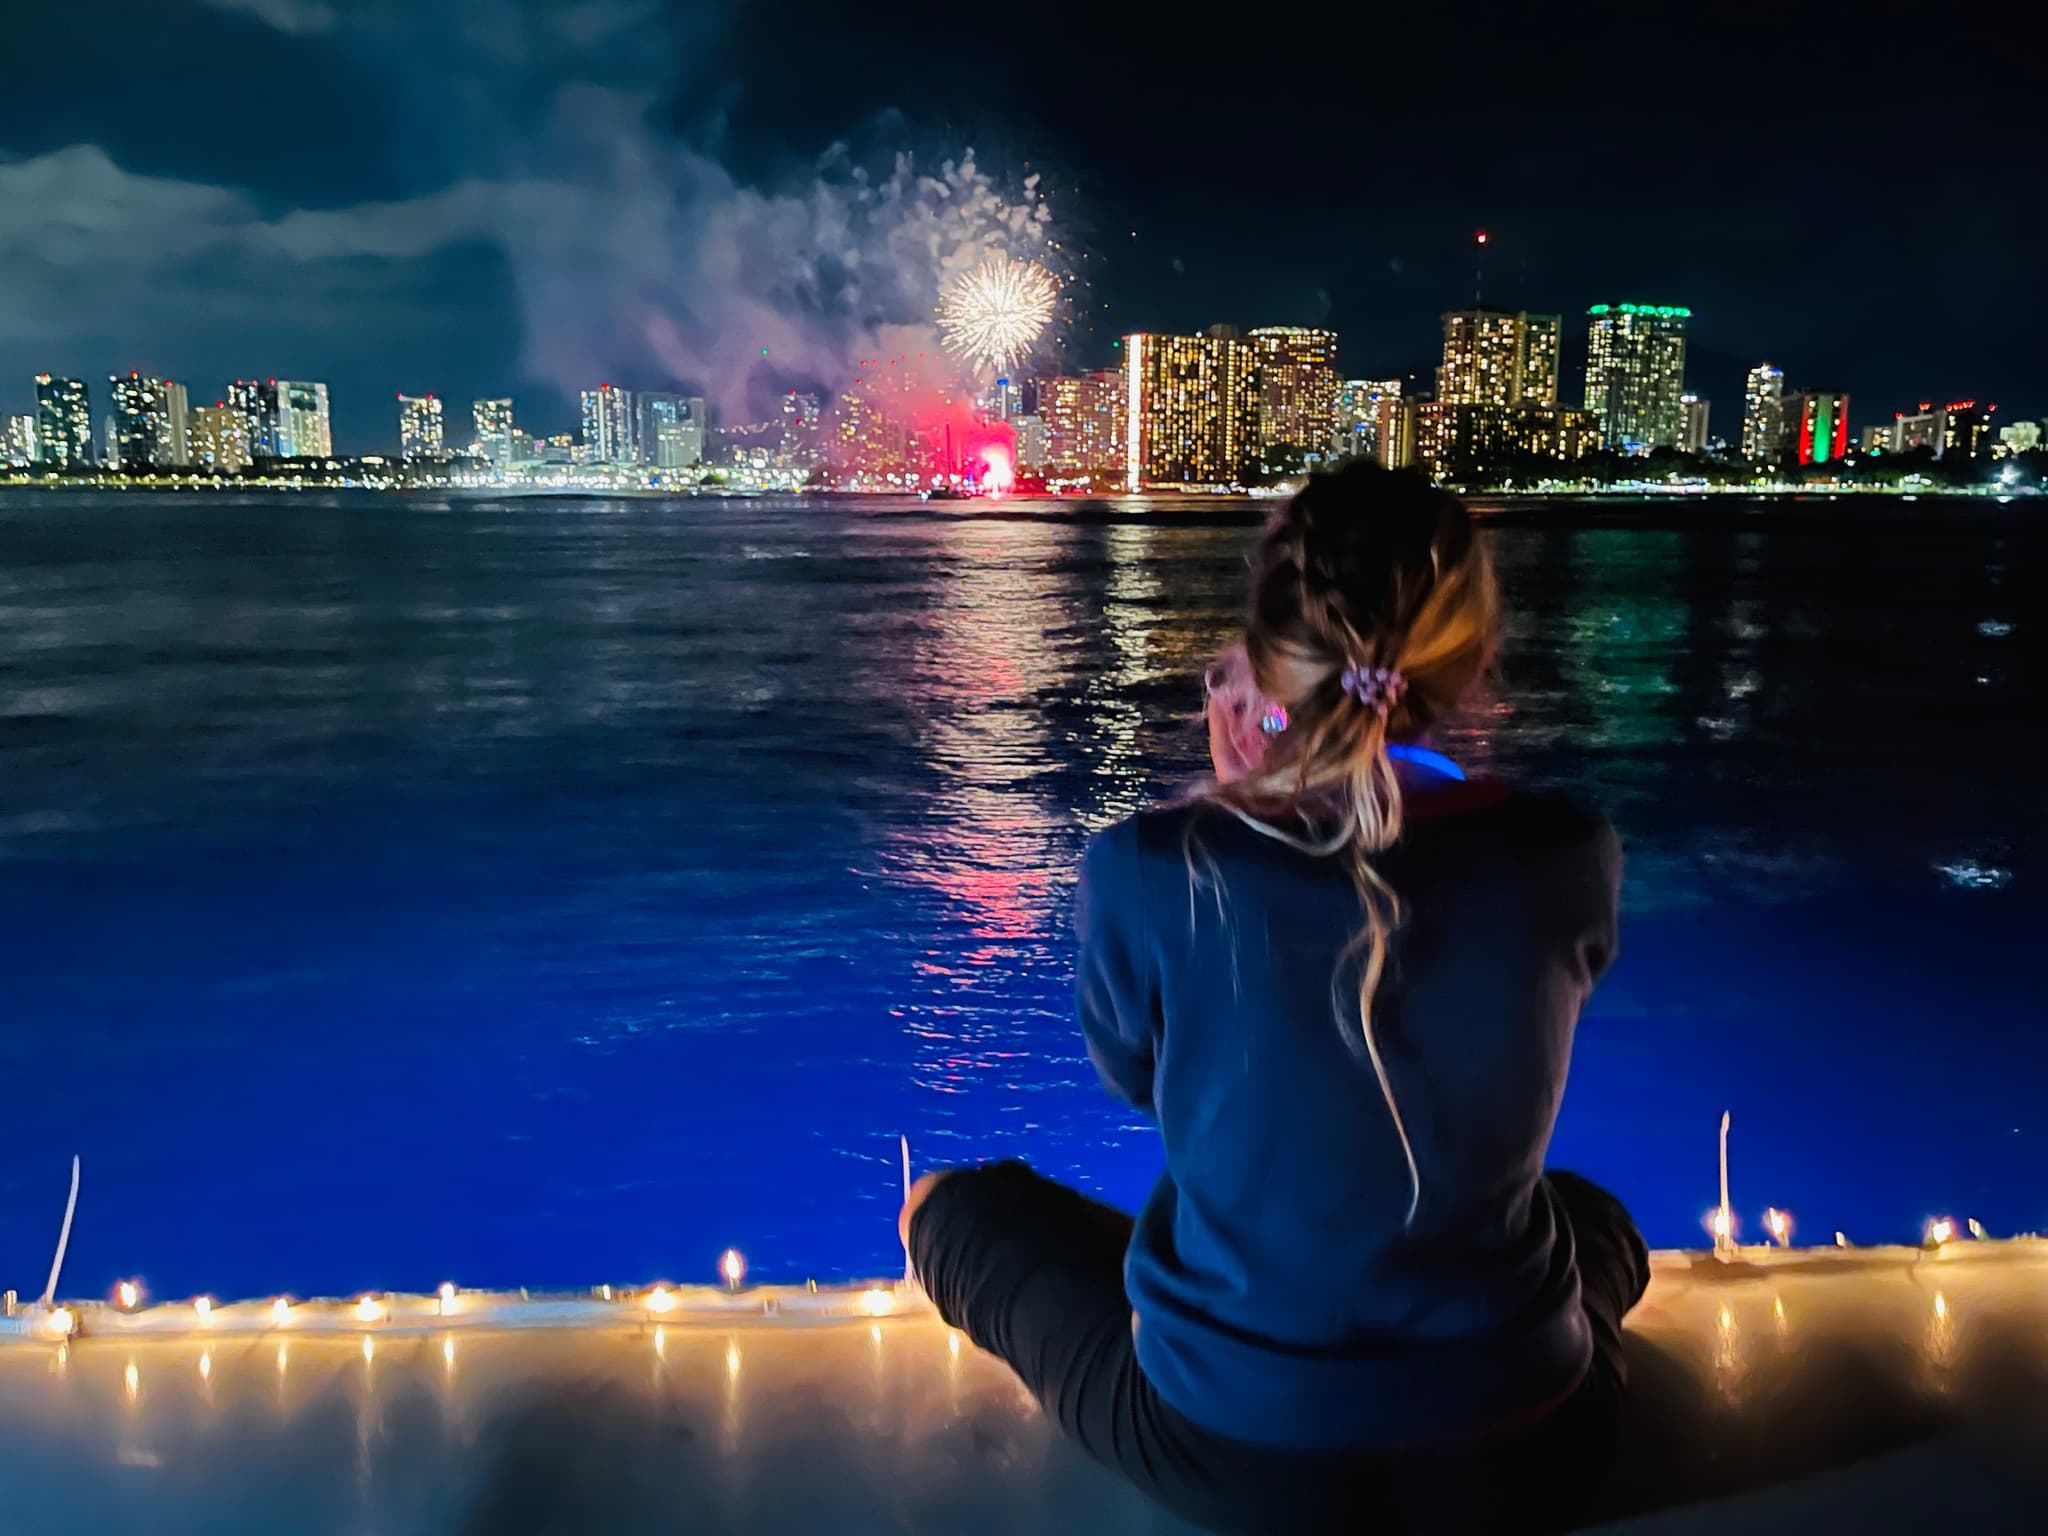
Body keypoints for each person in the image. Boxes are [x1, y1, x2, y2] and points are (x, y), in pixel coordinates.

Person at [900, 462, 1648, 1534]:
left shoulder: (1151, 868)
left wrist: (1232, 793)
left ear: (1261, 664)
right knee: (1593, 1219)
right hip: (1528, 1442)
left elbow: (1144, 1081)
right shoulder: (1571, 854)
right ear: (1476, 656)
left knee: (948, 1209)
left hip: (1237, 1446)